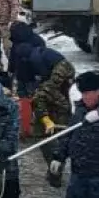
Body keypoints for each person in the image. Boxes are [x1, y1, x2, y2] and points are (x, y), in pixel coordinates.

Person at [30, 47, 75, 187]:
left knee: (48, 140)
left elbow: (42, 95)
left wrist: (44, 117)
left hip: (59, 108)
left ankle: (55, 172)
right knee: (56, 140)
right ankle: (55, 169)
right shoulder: (53, 63)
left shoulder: (58, 72)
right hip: (59, 105)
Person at [8, 22, 46, 97]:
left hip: (28, 73)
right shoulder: (35, 39)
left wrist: (11, 69)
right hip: (26, 73)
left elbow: (13, 56)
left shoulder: (18, 39)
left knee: (28, 93)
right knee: (27, 94)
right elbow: (13, 55)